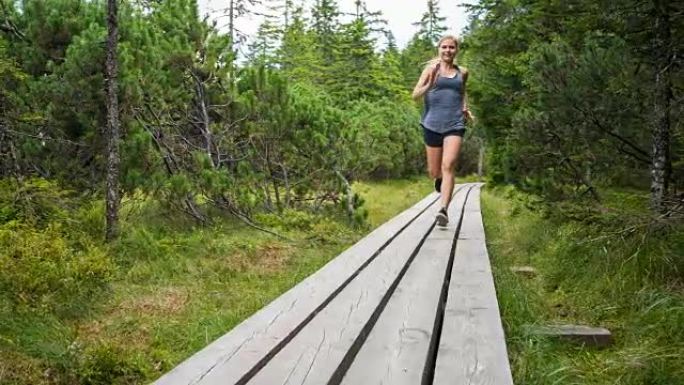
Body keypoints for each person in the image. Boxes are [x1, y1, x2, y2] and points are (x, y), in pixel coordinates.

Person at [412, 34, 474, 227]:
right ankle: (438, 179)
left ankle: (443, 210)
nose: (448, 50)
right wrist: (429, 84)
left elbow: (462, 93)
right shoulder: (430, 70)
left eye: (452, 47)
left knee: (448, 165)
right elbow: (415, 95)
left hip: (455, 124)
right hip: (432, 124)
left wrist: (465, 108)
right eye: (444, 47)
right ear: (439, 49)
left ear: (456, 50)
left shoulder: (462, 72)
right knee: (434, 171)